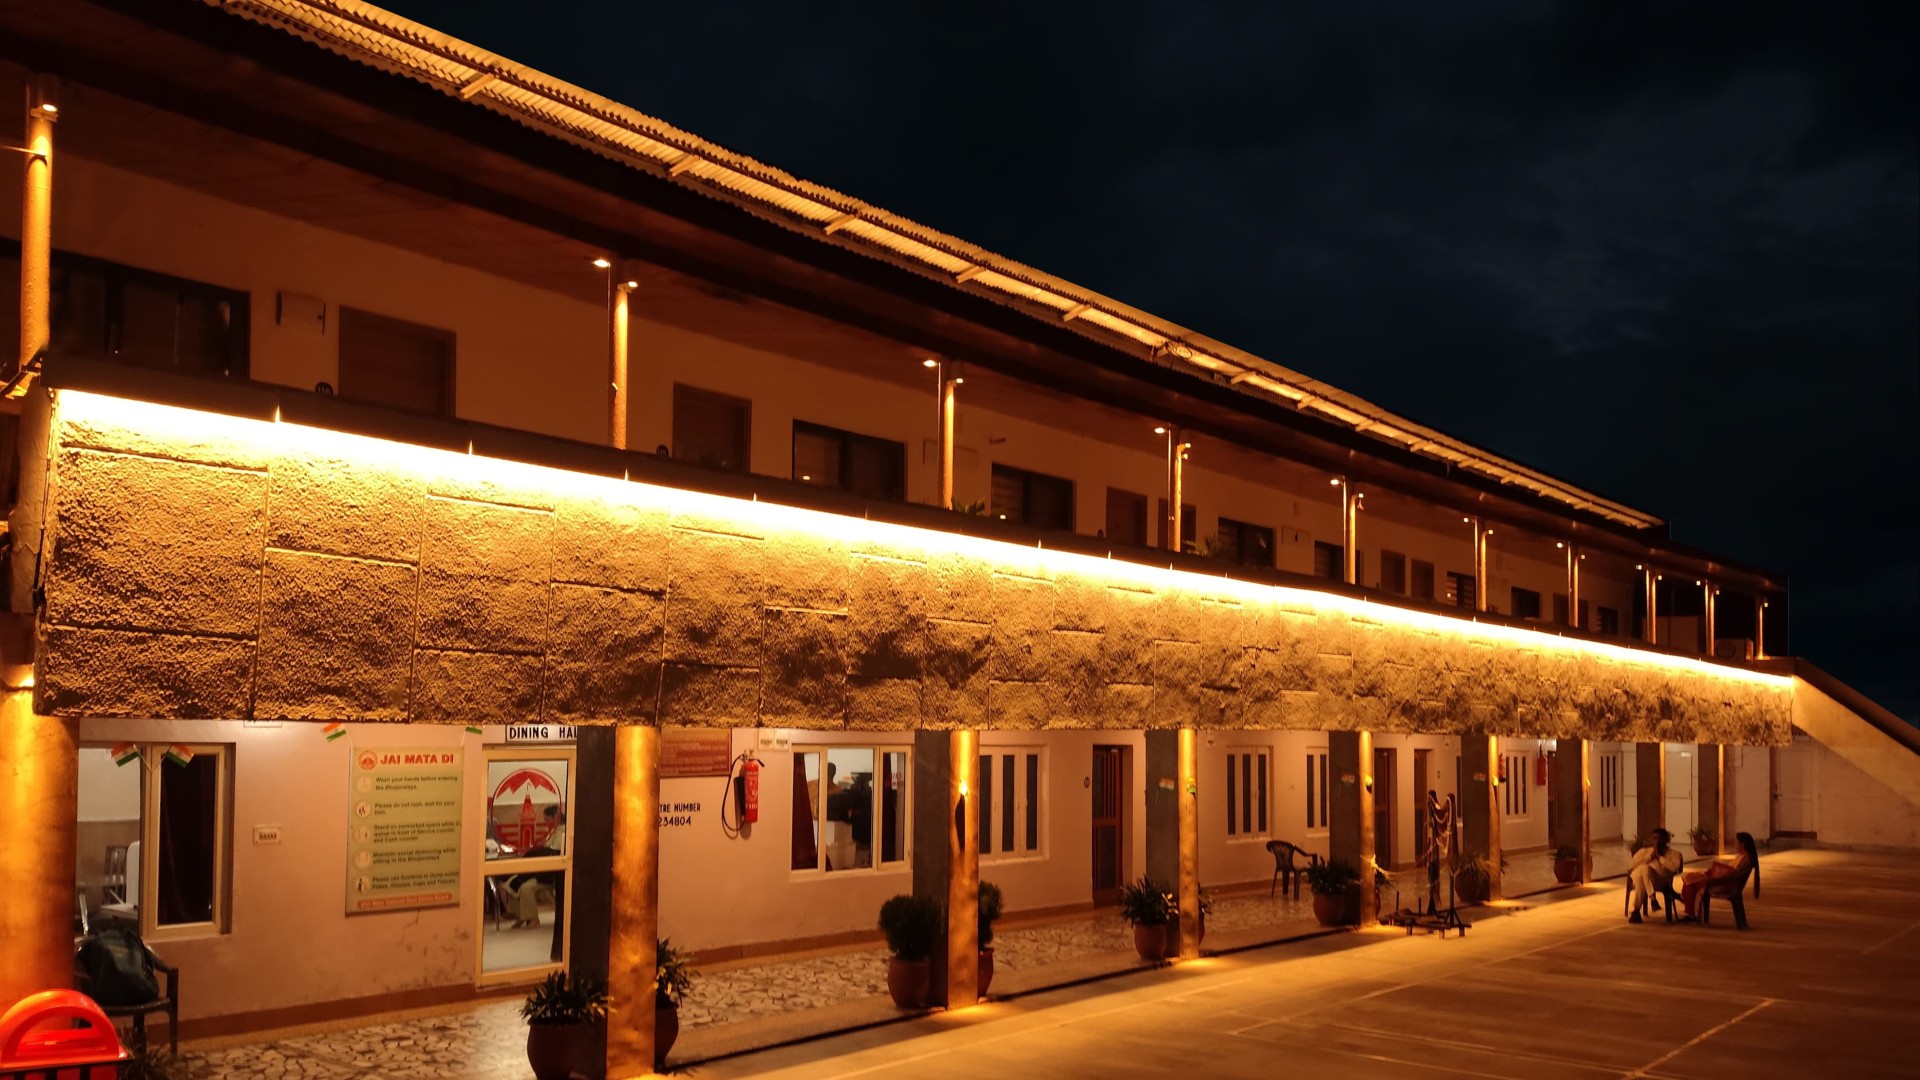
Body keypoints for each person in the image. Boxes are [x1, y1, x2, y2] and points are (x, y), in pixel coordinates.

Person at [1677, 831, 1759, 921]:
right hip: (1725, 881)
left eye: (1736, 841)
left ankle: (1691, 913)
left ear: (1742, 844)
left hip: (1727, 885)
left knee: (1693, 882)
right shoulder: (1742, 856)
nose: (1734, 843)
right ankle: (1688, 904)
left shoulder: (1746, 859)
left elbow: (1733, 874)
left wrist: (1714, 877)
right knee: (1692, 877)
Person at [1627, 828, 1684, 923]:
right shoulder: (1644, 851)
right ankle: (1652, 899)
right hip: (1639, 878)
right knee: (1644, 870)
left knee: (1644, 871)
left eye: (1659, 838)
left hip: (1659, 881)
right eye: (1654, 838)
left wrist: (1659, 858)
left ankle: (1636, 911)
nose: (1656, 841)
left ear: (1666, 840)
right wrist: (1649, 857)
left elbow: (1674, 868)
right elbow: (1631, 866)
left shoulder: (1675, 854)